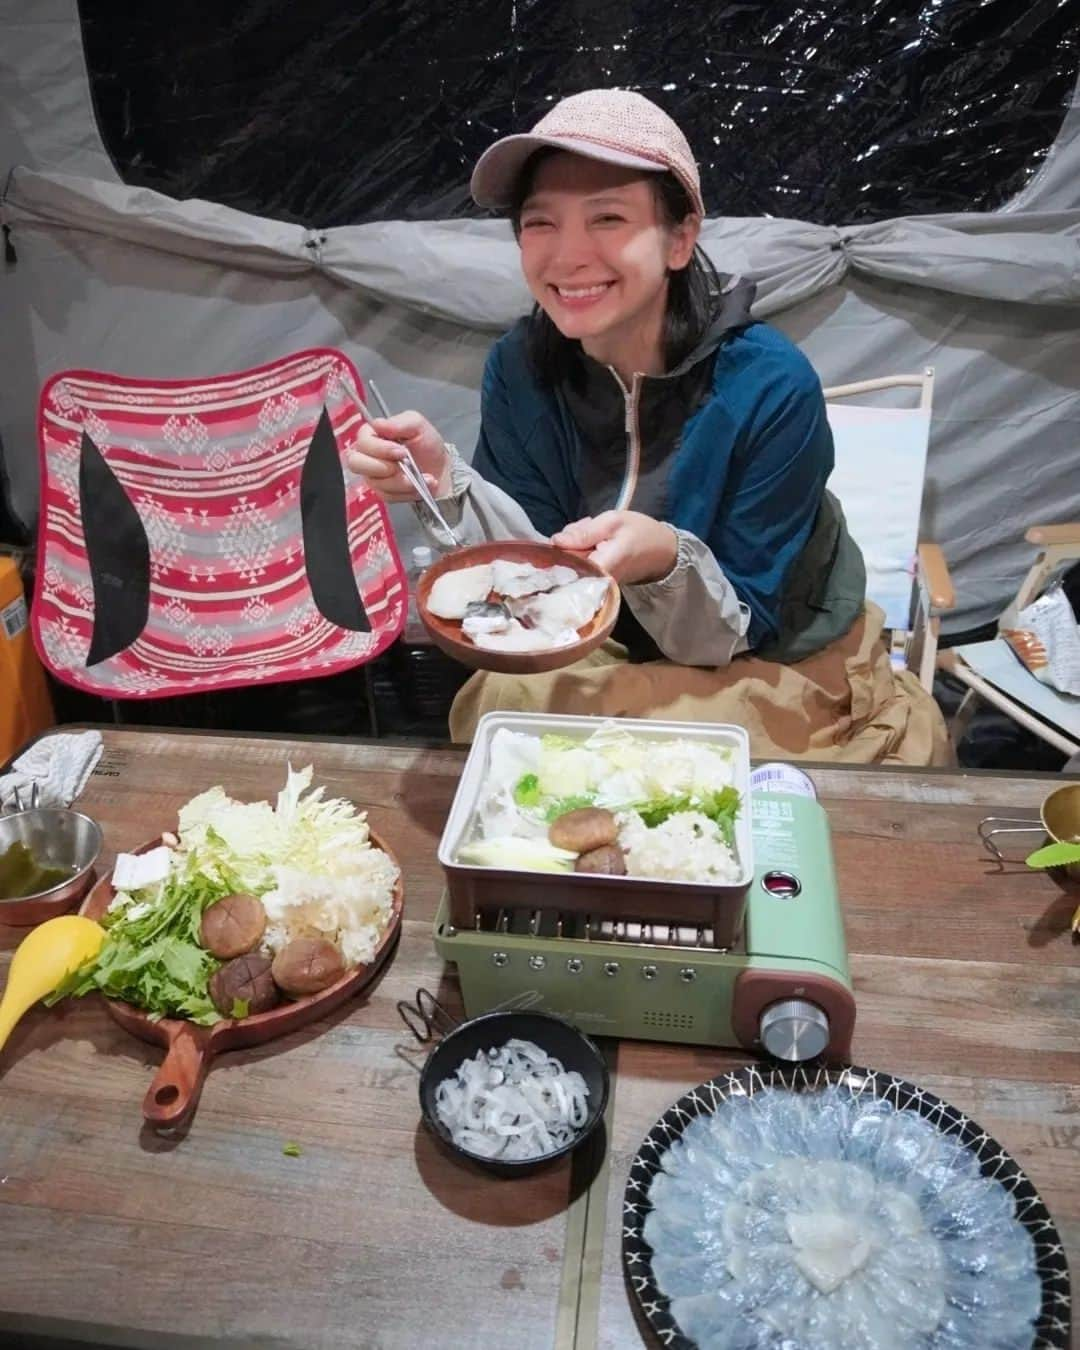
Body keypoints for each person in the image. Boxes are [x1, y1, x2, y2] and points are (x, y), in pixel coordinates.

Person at [346, 89, 949, 764]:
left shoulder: (770, 386)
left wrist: (663, 557)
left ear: (680, 238)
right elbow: (534, 573)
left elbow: (743, 623)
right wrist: (445, 483)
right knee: (505, 707)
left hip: (767, 653)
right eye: (539, 223)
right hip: (611, 638)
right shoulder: (521, 366)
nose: (567, 257)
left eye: (607, 218)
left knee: (664, 763)